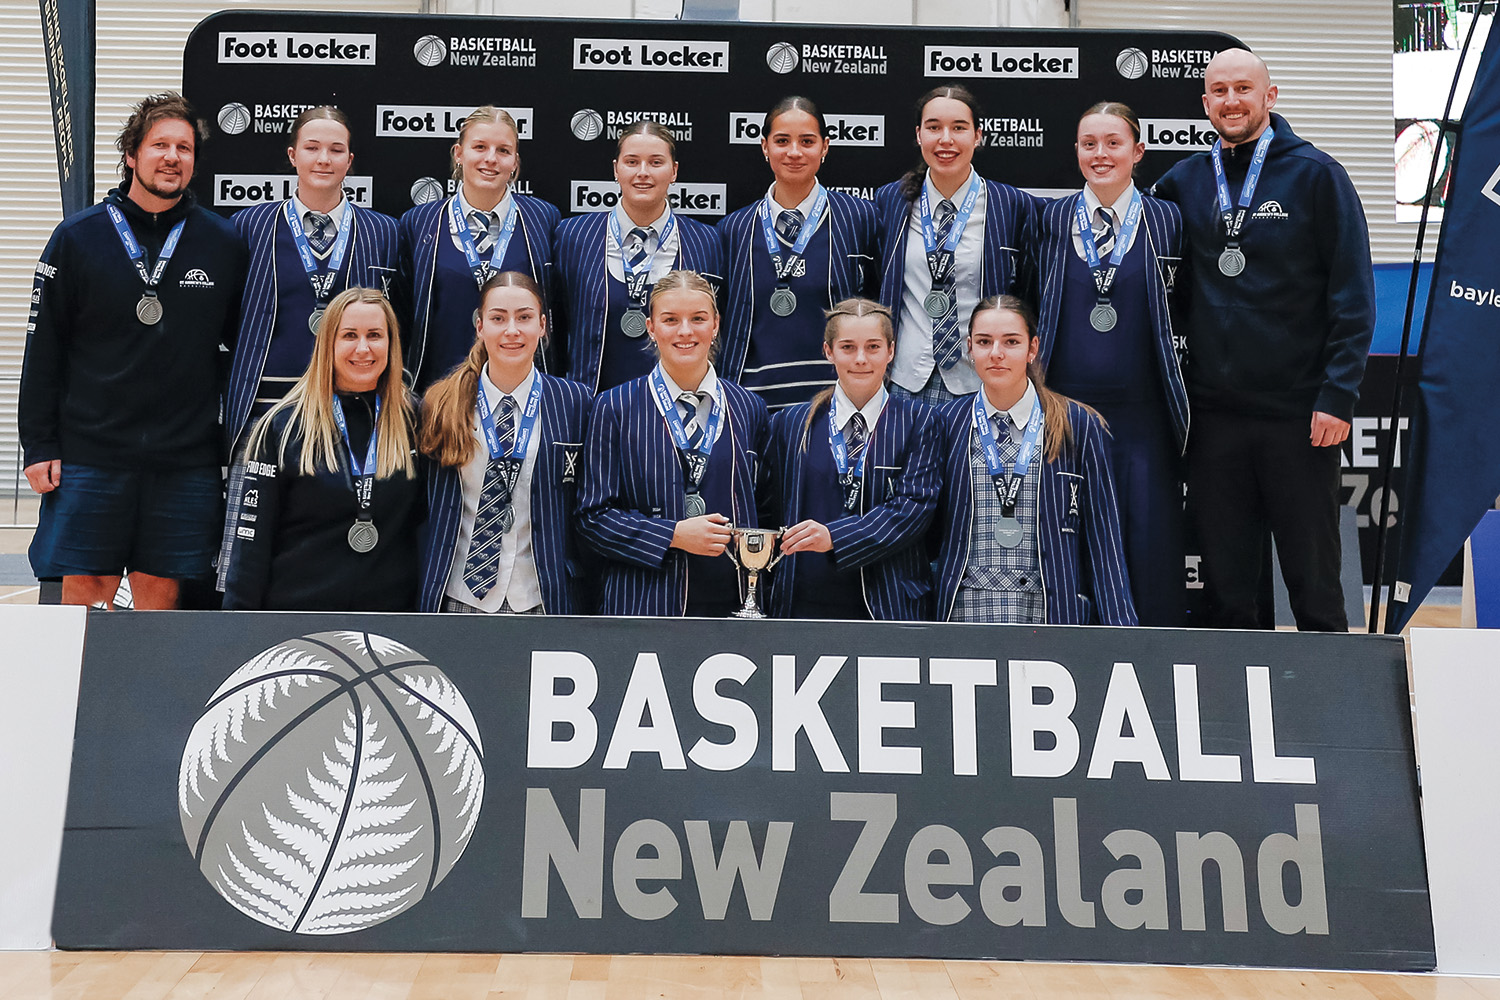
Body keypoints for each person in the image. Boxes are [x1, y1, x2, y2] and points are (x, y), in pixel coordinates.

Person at [1150, 48, 1374, 631]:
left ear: (1269, 97)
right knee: (1229, 590)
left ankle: (1330, 712)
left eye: (1243, 89)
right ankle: (1236, 717)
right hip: (1214, 419)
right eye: (1218, 91)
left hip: (1299, 415)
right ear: (1204, 104)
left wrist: (1337, 396)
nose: (1231, 101)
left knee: (1315, 586)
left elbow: (1353, 296)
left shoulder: (1318, 175)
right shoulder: (1183, 182)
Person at [20, 92, 247, 609]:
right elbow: (44, 350)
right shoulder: (78, 238)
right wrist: (39, 445)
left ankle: (145, 693)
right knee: (84, 599)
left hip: (183, 460)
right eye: (160, 145)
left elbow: (238, 351)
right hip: (90, 454)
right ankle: (73, 692)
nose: (172, 157)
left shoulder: (222, 242)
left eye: (184, 148)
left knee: (159, 608)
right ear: (131, 155)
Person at [219, 106, 399, 591]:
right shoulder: (248, 226)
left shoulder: (384, 230)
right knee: (249, 539)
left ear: (350, 160)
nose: (324, 158)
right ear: (292, 155)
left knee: (334, 523)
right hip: (263, 406)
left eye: (336, 149)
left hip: (349, 408)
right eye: (313, 148)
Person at [1028, 102, 1189, 626]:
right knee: (1064, 537)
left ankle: (1152, 661)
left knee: (1148, 542)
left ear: (1137, 152)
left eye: (1113, 143)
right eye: (1089, 143)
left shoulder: (1167, 219)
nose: (1101, 154)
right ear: (1076, 152)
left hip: (1145, 418)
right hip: (1065, 414)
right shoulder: (1049, 220)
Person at [932, 296, 1135, 625]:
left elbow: (1104, 541)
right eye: (984, 342)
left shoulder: (1076, 424)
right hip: (962, 616)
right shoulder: (946, 422)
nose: (996, 353)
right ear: (970, 347)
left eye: (1011, 341)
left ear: (1033, 348)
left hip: (1049, 618)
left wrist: (1123, 634)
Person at [577, 270, 768, 617]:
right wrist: (672, 535)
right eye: (670, 320)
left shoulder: (749, 408)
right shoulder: (614, 407)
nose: (685, 331)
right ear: (651, 327)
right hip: (642, 606)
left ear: (715, 324)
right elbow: (592, 519)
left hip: (733, 608)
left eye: (698, 319)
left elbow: (767, 510)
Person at [222, 287, 423, 611]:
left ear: (391, 343)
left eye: (374, 335)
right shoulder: (281, 426)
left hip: (390, 627)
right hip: (297, 623)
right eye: (349, 336)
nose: (363, 348)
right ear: (327, 343)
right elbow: (250, 550)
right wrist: (237, 633)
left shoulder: (415, 420)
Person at [417, 271, 592, 614]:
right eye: (498, 318)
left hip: (543, 597)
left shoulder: (576, 403)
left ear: (542, 326)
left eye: (524, 318)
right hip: (458, 599)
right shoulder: (440, 402)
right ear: (480, 327)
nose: (512, 330)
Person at [764, 299, 939, 621]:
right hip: (803, 601)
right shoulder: (790, 423)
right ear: (828, 351)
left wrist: (835, 538)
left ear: (891, 351)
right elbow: (772, 509)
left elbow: (914, 508)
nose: (861, 359)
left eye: (873, 347)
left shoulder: (920, 421)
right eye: (848, 347)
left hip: (890, 603)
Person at [717, 97, 879, 409]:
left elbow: (881, 302)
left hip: (840, 401)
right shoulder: (733, 229)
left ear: (825, 147)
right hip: (753, 404)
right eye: (782, 141)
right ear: (765, 147)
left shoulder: (859, 219)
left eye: (807, 141)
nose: (794, 152)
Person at [875, 85, 1033, 406]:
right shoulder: (890, 200)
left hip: (982, 379)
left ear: (978, 135)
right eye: (934, 127)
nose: (945, 139)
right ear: (919, 135)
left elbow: (1030, 293)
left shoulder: (1012, 205)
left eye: (959, 128)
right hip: (905, 379)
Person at [399, 106, 559, 391]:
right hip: (438, 392)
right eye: (480, 147)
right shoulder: (419, 223)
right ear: (459, 154)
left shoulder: (544, 220)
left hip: (522, 393)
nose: (490, 159)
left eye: (503, 150)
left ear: (515, 162)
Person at [555, 122, 723, 393]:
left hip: (679, 409)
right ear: (616, 169)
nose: (643, 173)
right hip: (591, 409)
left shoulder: (706, 241)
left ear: (674, 171)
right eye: (632, 162)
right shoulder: (574, 237)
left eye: (656, 162)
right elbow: (557, 325)